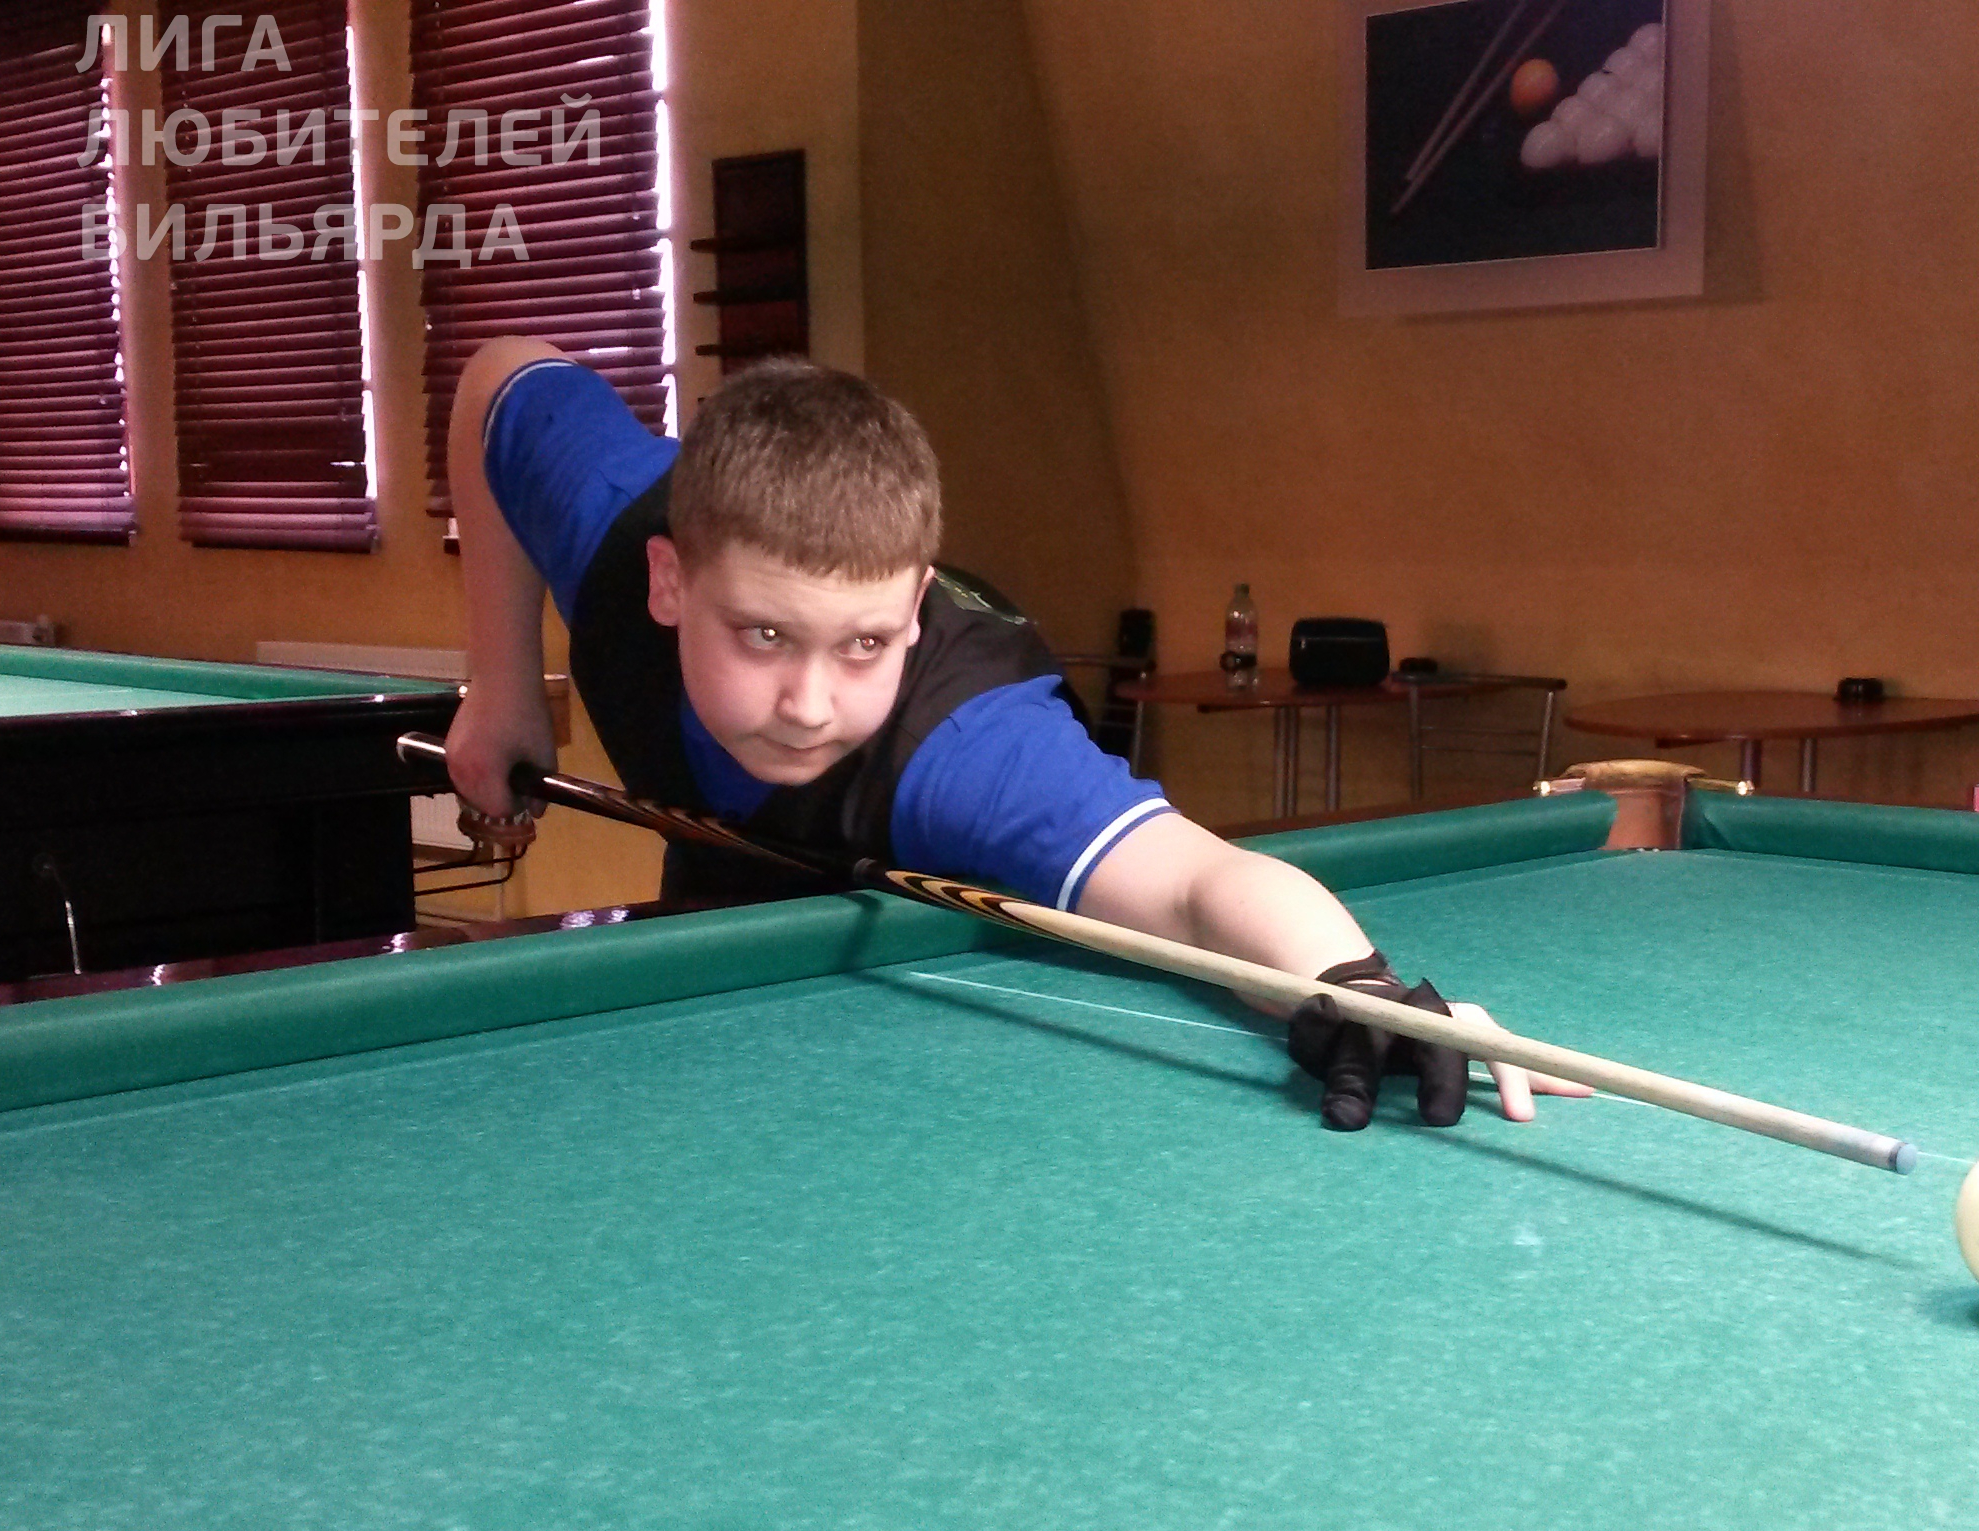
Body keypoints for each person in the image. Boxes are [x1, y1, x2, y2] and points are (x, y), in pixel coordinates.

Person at [442, 337, 1585, 1129]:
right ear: (669, 582)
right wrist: (502, 684)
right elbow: (496, 378)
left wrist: (1356, 986)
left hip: (934, 916)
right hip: (734, 851)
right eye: (764, 636)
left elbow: (1195, 884)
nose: (809, 704)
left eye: (862, 644)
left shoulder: (972, 753)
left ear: (912, 606)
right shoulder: (611, 526)